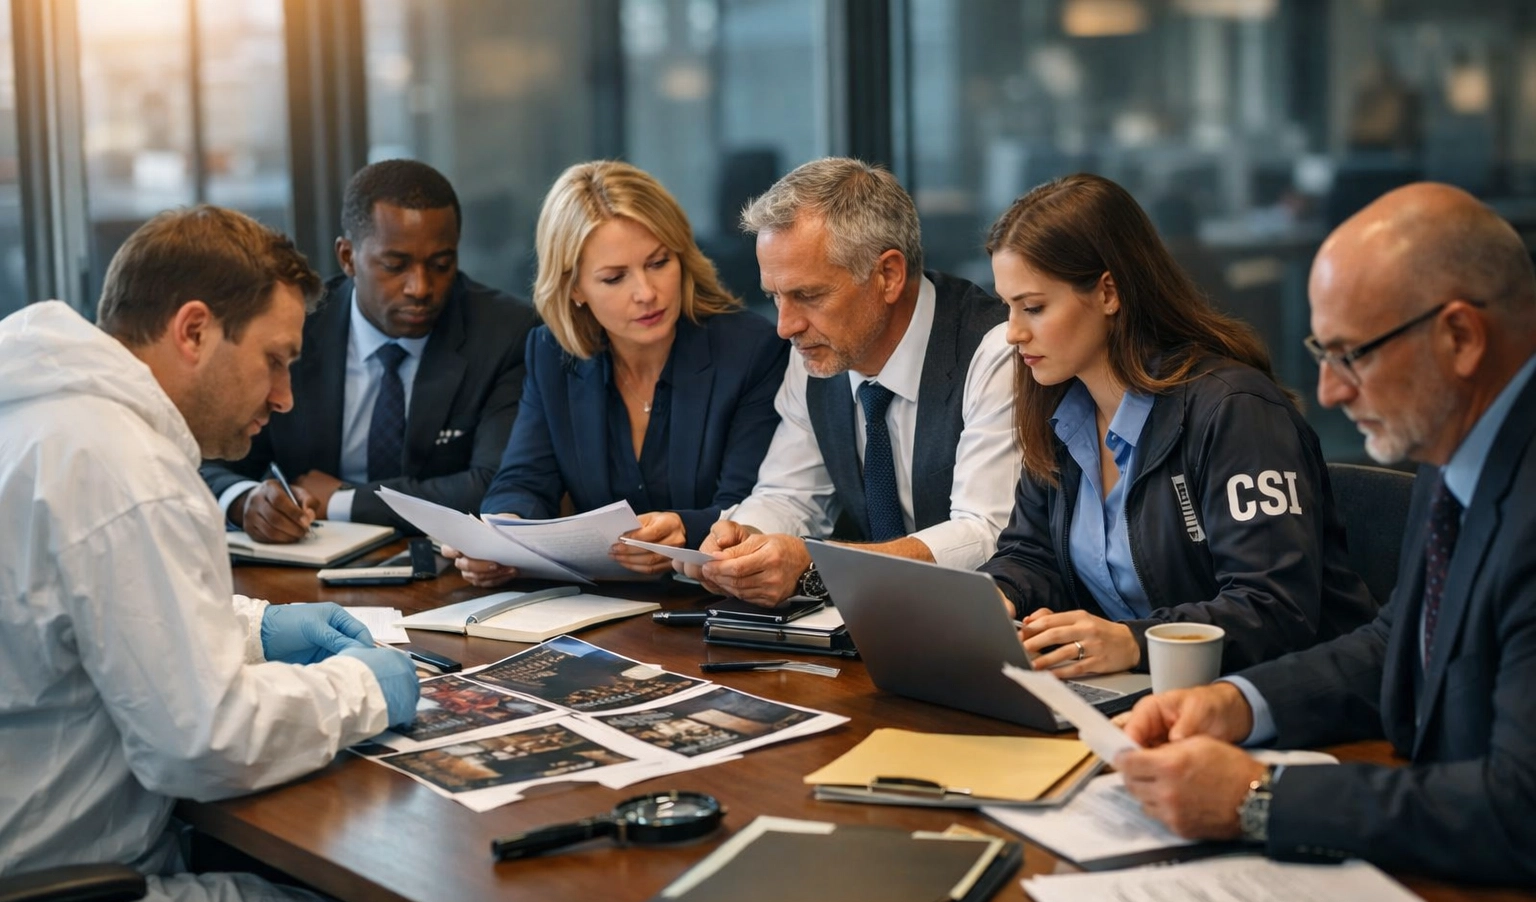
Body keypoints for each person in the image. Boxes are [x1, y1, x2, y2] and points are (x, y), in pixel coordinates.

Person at [0, 206, 460, 902]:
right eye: (276, 361)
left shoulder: (40, 415)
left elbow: (96, 616)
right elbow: (205, 745)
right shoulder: (122, 463)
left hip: (34, 863)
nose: (284, 397)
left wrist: (255, 628)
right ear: (193, 331)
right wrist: (364, 686)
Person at [1116, 182, 1536, 885]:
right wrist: (1238, 703)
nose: (1331, 392)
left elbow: (1519, 812)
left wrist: (1257, 799)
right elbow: (1398, 645)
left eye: (1352, 356)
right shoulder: (1457, 443)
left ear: (1460, 337)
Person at [978, 174, 1376, 678]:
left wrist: (1132, 642)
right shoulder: (1062, 408)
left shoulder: (1236, 411)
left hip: (1274, 702)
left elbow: (1273, 607)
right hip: (1137, 693)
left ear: (1107, 292)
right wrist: (997, 596)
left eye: (1033, 307)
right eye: (1008, 306)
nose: (1013, 332)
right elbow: (1031, 554)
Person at [681, 157, 1018, 606]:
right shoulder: (816, 351)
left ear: (888, 275)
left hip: (996, 626)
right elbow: (790, 495)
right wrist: (745, 540)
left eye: (807, 295)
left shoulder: (995, 349)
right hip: (873, 627)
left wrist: (818, 562)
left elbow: (987, 532)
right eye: (774, 297)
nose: (785, 326)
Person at [449, 160, 786, 585]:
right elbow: (524, 478)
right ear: (574, 289)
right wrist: (498, 537)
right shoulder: (551, 353)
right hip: (603, 609)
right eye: (614, 278)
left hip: (715, 602)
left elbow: (756, 505)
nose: (646, 293)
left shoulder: (751, 349)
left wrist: (686, 529)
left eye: (659, 262)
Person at [201, 159, 538, 541]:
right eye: (395, 265)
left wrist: (345, 501)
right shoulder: (294, 328)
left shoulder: (503, 334)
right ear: (348, 258)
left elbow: (496, 484)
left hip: (440, 564)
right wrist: (245, 500)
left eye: (441, 265)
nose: (420, 288)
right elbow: (207, 454)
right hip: (304, 561)